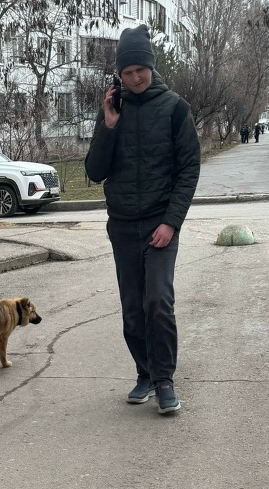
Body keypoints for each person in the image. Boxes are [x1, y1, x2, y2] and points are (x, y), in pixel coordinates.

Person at [84, 24, 200, 415]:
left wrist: (171, 222)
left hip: (159, 224)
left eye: (141, 70)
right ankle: (144, 373)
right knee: (132, 308)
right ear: (119, 74)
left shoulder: (175, 109)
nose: (134, 78)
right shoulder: (113, 111)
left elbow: (188, 171)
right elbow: (96, 171)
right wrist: (108, 127)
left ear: (151, 67)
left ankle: (165, 379)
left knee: (157, 302)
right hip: (122, 226)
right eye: (127, 72)